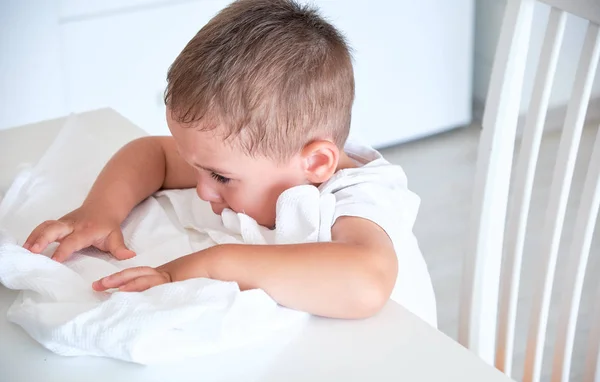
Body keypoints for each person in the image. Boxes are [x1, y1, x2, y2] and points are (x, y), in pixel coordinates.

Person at [23, 0, 436, 323]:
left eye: (220, 176)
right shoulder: (267, 156)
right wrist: (100, 211)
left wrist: (205, 266)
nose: (203, 189)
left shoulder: (359, 198)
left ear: (316, 163)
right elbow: (152, 153)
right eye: (200, 169)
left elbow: (366, 283)